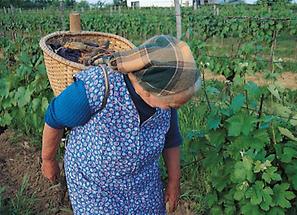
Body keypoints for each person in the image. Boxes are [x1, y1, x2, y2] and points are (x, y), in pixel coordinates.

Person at [41, 35, 200, 214]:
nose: (173, 109)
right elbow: (54, 117)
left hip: (142, 184)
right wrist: (48, 160)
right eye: (172, 104)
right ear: (151, 89)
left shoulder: (163, 106)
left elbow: (171, 139)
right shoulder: (98, 87)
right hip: (95, 187)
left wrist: (174, 181)